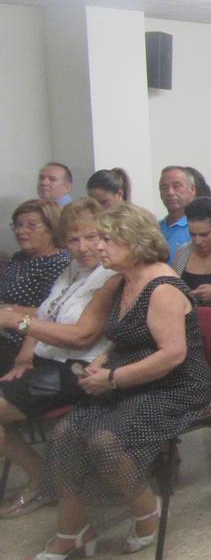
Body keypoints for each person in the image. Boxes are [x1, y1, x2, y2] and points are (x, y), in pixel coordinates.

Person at [24, 203, 211, 558]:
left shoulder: (162, 287)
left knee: (103, 441)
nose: (99, 247)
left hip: (175, 385)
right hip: (132, 374)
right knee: (64, 434)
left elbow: (173, 355)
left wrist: (112, 378)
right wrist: (103, 359)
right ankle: (73, 529)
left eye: (107, 239)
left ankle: (146, 510)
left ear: (135, 241)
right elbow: (123, 334)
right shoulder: (126, 279)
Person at [0, 198, 116, 519]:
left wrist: (15, 321)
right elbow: (45, 314)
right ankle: (45, 476)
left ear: (107, 235)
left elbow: (83, 335)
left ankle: (41, 477)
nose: (82, 247)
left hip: (79, 369)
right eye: (74, 239)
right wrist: (23, 360)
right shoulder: (72, 269)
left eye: (91, 237)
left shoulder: (111, 275)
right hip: (49, 362)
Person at [0, 200, 72, 374]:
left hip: (28, 340)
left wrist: (11, 311)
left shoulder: (59, 263)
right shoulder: (19, 258)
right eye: (18, 225)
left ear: (51, 228)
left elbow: (49, 313)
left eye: (31, 226)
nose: (21, 231)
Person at [157, 165, 197, 264]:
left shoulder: (202, 229)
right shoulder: (155, 229)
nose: (170, 192)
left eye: (176, 186)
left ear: (192, 189)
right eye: (164, 188)